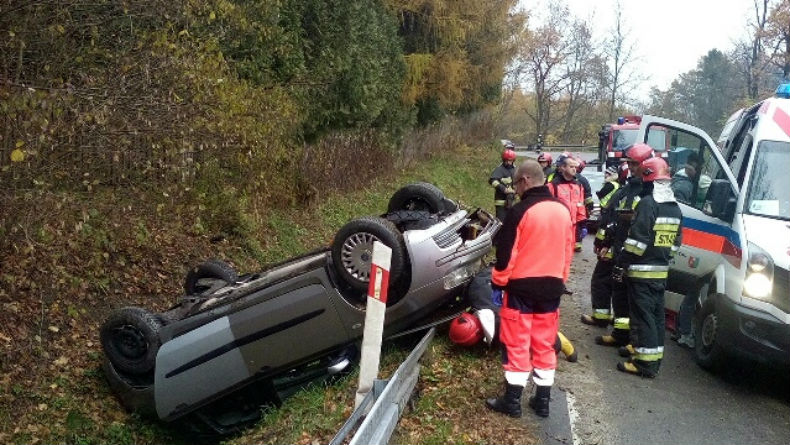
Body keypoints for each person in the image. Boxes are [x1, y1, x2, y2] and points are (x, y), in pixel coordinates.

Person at [485, 159, 574, 419]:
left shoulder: (520, 211)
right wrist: (560, 280)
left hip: (521, 291)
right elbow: (567, 251)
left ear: (525, 180)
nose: (515, 189)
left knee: (517, 343)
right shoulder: (563, 210)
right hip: (552, 289)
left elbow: (506, 255)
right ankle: (542, 401)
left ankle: (512, 402)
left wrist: (498, 283)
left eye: (516, 184)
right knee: (545, 344)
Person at [613, 156, 682, 378]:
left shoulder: (647, 204)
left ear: (648, 180)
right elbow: (675, 244)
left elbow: (637, 242)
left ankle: (645, 364)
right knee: (656, 317)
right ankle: (652, 357)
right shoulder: (674, 208)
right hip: (660, 273)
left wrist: (622, 261)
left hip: (641, 272)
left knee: (643, 317)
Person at [591, 143, 654, 348]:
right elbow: (614, 217)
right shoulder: (628, 189)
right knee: (619, 294)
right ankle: (620, 335)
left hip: (637, 253)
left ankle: (633, 341)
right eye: (630, 163)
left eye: (635, 164)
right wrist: (606, 242)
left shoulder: (650, 193)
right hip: (620, 249)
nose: (631, 167)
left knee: (633, 298)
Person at [579, 166, 623, 327]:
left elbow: (608, 222)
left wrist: (601, 243)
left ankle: (601, 317)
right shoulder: (629, 192)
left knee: (601, 281)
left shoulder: (618, 193)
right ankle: (616, 321)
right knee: (617, 285)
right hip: (622, 249)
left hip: (612, 247)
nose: (606, 176)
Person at [547, 154, 586, 252]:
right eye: (571, 167)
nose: (574, 169)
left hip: (573, 227)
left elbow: (580, 206)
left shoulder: (578, 185)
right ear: (563, 168)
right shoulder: (553, 186)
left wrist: (582, 225)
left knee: (568, 253)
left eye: (575, 167)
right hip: (558, 226)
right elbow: (547, 208)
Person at [489, 146, 517, 221]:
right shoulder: (500, 169)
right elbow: (492, 181)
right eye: (507, 160)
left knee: (511, 221)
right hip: (501, 202)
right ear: (504, 160)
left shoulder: (515, 169)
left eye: (511, 161)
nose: (509, 162)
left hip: (511, 201)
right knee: (501, 222)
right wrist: (503, 189)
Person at [574, 157, 594, 251]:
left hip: (569, 208)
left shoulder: (565, 178)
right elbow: (588, 196)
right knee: (578, 226)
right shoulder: (583, 180)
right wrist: (590, 207)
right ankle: (577, 245)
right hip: (579, 209)